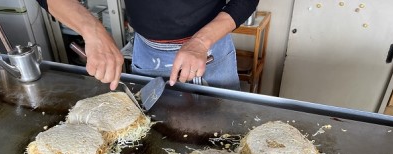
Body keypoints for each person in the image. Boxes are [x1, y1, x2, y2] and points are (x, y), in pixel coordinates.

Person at [36, 0, 259, 91]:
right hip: (148, 51)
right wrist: (93, 31)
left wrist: (201, 41)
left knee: (221, 140)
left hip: (211, 48)